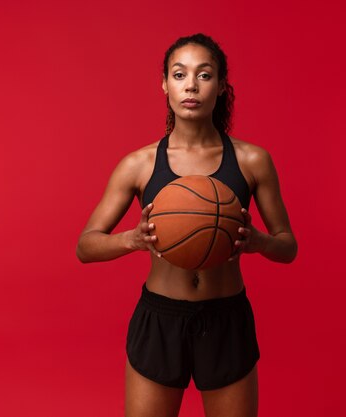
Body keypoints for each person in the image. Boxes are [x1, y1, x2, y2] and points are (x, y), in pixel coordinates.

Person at [76, 33, 297, 417]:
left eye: (204, 75)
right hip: (160, 318)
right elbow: (85, 246)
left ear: (222, 85)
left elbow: (288, 246)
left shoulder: (252, 160)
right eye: (179, 75)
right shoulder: (140, 164)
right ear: (164, 84)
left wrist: (259, 241)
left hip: (226, 318)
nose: (191, 85)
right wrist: (133, 238)